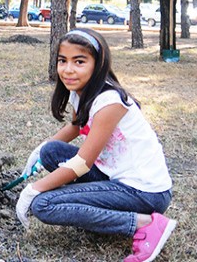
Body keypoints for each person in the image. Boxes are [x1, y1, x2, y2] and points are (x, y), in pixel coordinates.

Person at [15, 28, 175, 262]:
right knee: (51, 152)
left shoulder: (109, 101)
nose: (68, 69)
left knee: (44, 204)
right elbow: (77, 126)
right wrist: (40, 149)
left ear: (97, 64)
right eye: (62, 60)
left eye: (79, 61)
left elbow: (82, 163)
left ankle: (146, 223)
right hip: (114, 177)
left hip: (145, 193)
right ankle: (92, 209)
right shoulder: (81, 91)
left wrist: (34, 189)